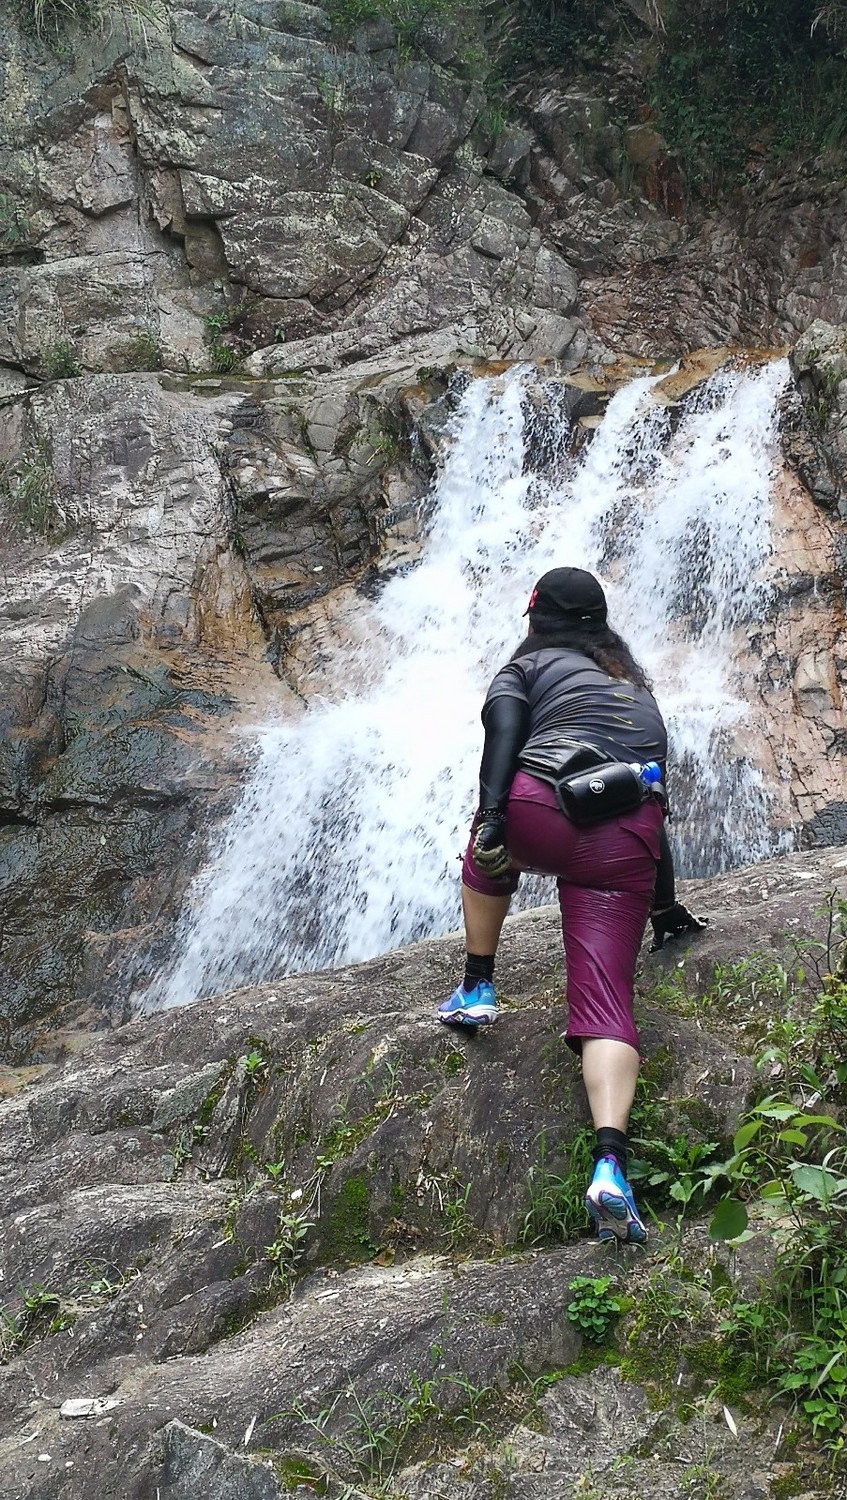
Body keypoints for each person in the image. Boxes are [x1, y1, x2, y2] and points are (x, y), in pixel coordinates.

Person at [437, 567, 706, 1245]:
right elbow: (652, 805)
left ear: (534, 616)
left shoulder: (525, 669)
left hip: (538, 808)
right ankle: (610, 1165)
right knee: (607, 1004)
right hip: (624, 841)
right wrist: (663, 908)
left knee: (483, 852)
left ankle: (476, 986)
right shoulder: (632, 688)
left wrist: (492, 819)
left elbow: (502, 738)